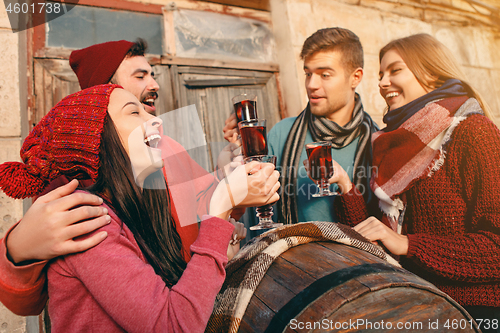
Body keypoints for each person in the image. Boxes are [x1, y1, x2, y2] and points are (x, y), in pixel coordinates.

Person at [0, 84, 280, 332]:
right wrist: (220, 210)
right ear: (97, 138)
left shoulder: (140, 204)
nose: (156, 119)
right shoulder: (87, 221)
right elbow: (174, 325)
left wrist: (221, 228)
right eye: (133, 112)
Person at [0, 39, 240, 315]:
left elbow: (209, 205)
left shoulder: (166, 148)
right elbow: (30, 300)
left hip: (196, 304)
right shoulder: (68, 179)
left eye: (152, 74)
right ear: (101, 94)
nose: (154, 85)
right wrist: (17, 251)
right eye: (140, 76)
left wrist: (228, 168)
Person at [331, 34, 500, 329]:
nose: (382, 82)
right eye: (381, 74)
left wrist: (409, 244)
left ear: (432, 73)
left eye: (395, 70)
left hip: (473, 314)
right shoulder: (390, 143)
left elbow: (495, 250)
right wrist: (346, 186)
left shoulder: (474, 133)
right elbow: (378, 242)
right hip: (412, 308)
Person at [223, 27, 378, 225]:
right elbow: (250, 204)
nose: (312, 84)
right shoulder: (281, 134)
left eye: (325, 75)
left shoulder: (377, 141)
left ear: (355, 77)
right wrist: (237, 151)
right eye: (308, 73)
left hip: (355, 255)